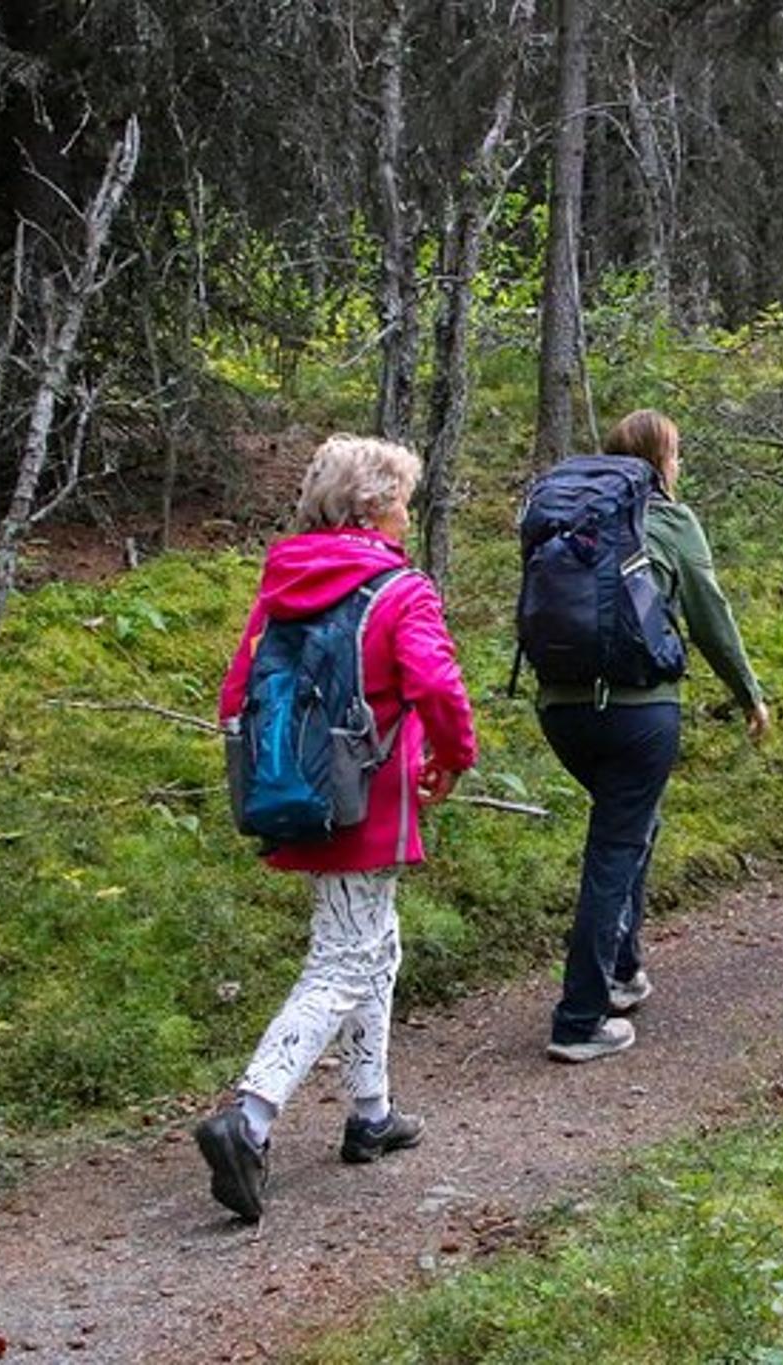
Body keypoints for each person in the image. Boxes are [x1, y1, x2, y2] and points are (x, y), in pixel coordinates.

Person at [193, 435, 477, 1222]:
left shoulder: (285, 584)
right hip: (368, 793)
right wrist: (455, 756)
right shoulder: (399, 588)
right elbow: (437, 687)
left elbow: (235, 694)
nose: (408, 513)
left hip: (297, 784)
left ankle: (371, 1111)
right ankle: (248, 1116)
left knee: (375, 946)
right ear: (375, 504)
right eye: (402, 498)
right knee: (342, 960)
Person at [537, 409, 771, 1064]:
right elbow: (710, 615)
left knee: (633, 825)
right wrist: (749, 693)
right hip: (640, 713)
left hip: (560, 710)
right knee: (615, 844)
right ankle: (580, 1017)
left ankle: (621, 967)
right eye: (678, 453)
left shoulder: (568, 518)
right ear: (660, 460)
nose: (681, 464)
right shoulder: (669, 519)